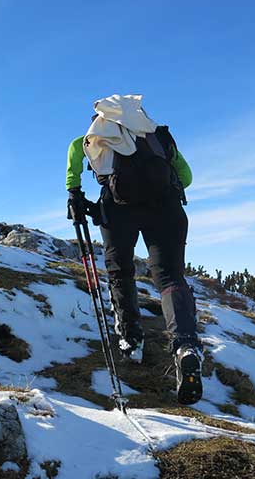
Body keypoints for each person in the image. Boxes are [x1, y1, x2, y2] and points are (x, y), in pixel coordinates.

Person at [65, 94, 202, 405]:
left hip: (117, 211)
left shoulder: (93, 136)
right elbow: (188, 178)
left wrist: (74, 191)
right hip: (166, 209)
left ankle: (131, 339)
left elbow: (75, 155)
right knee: (169, 278)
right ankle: (185, 345)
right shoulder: (156, 135)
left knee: (120, 271)